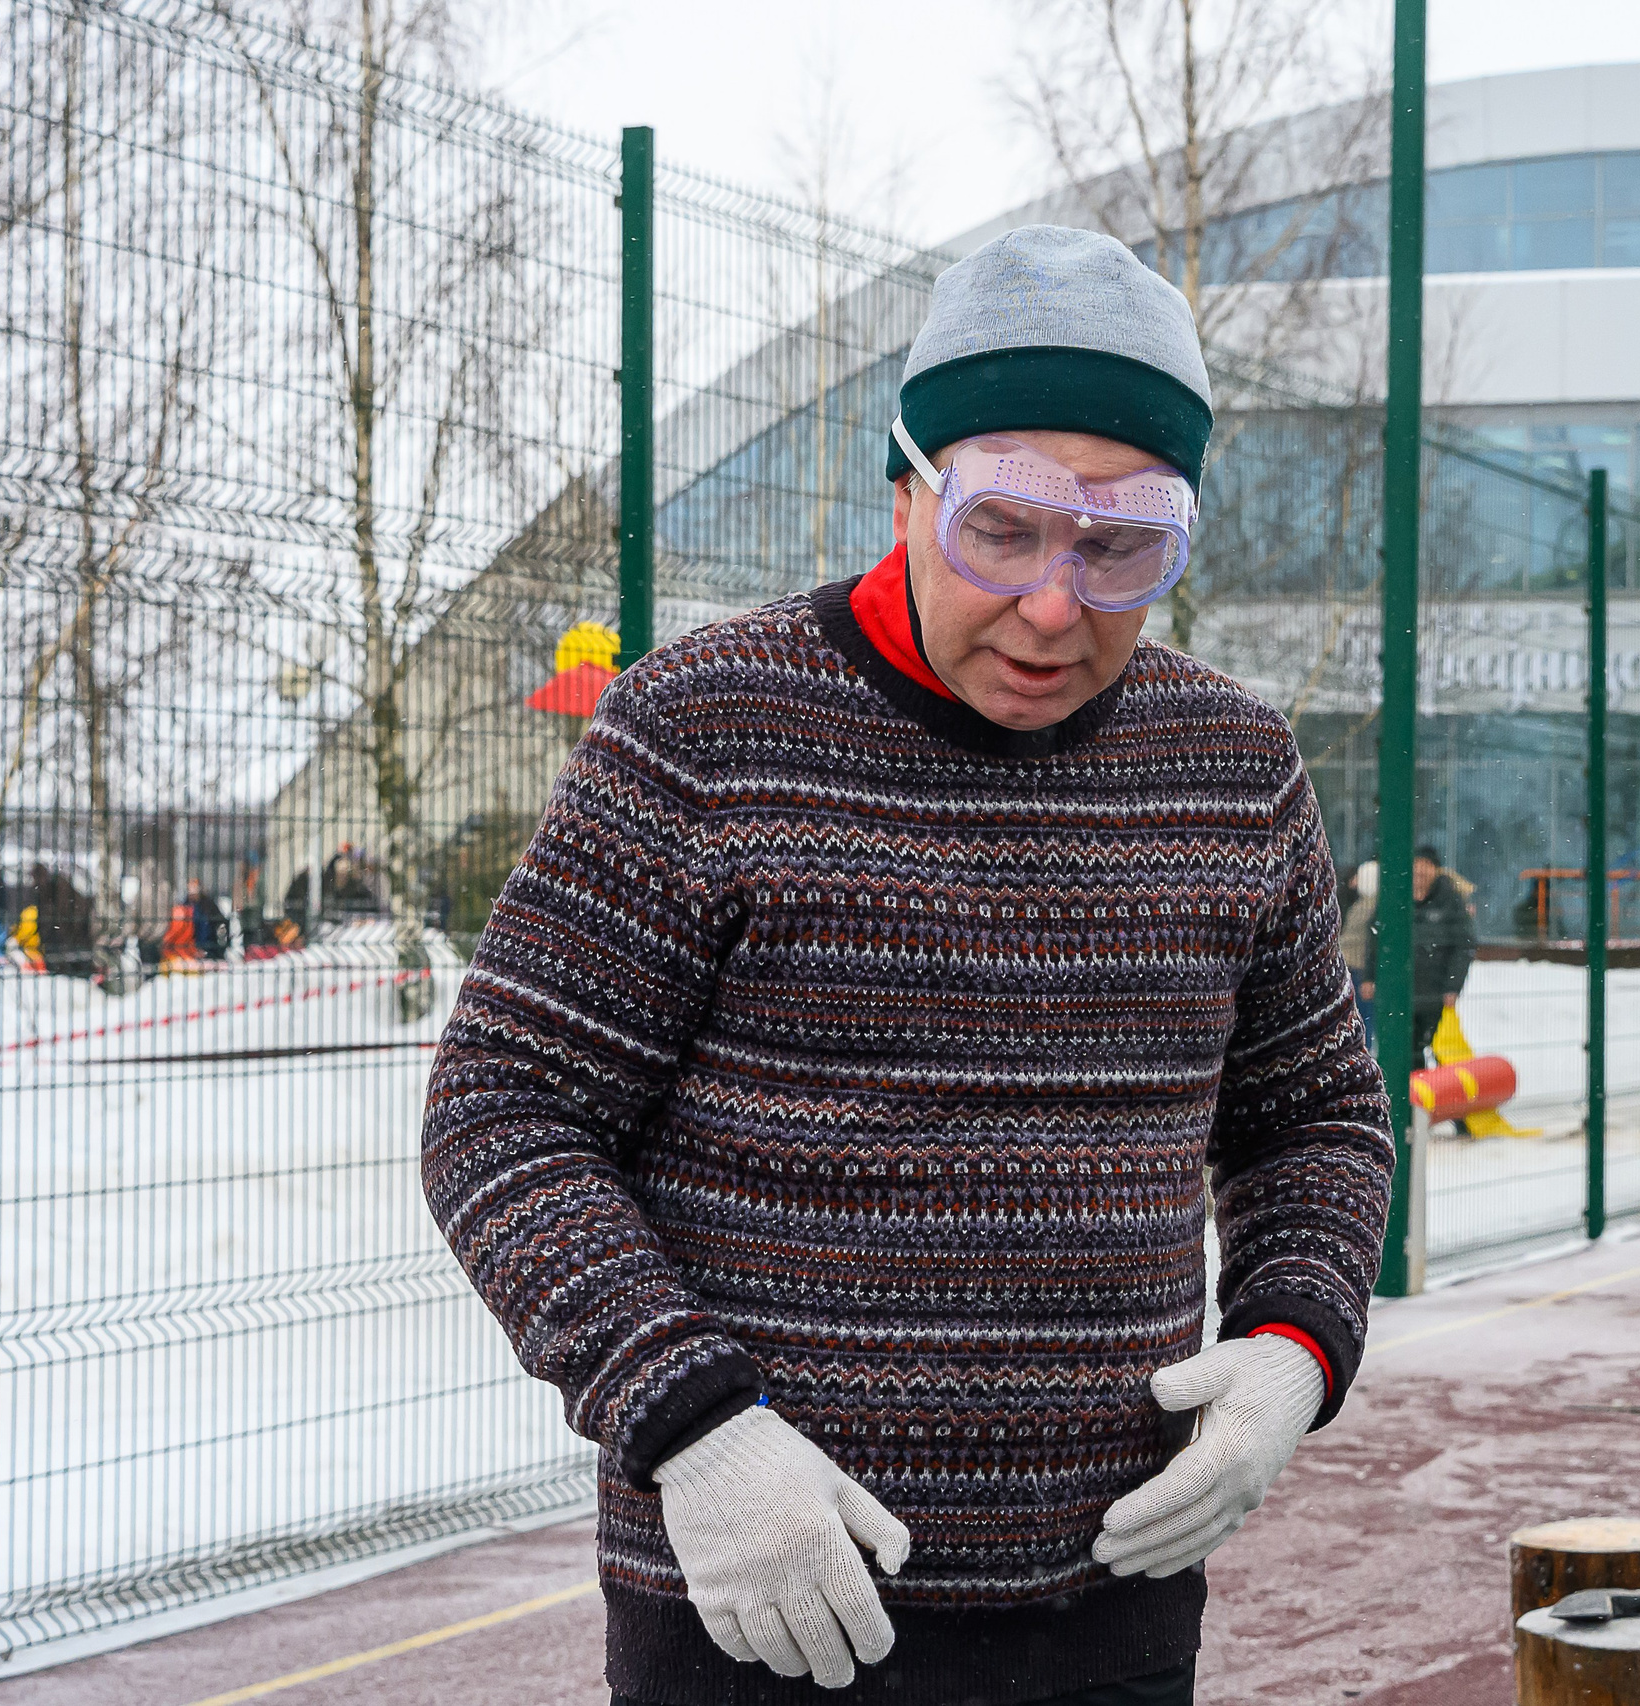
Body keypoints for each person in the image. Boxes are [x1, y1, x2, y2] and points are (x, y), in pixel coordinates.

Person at [422, 227, 1394, 1706]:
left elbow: (1316, 1118)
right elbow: (504, 1110)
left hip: (1114, 1607)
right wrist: (691, 1420)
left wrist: (1289, 1347)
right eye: (1002, 529)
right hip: (766, 1606)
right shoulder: (705, 727)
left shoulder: (1234, 764)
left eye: (1120, 545)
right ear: (907, 492)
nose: (1056, 606)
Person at [1375, 844, 1476, 1070]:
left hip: (1436, 996)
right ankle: (1410, 1101)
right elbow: (1376, 940)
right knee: (1405, 1055)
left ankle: (1446, 1101)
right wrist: (1371, 977)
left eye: (1426, 866)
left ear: (1436, 870)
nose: (1420, 871)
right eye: (1416, 865)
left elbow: (1463, 946)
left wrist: (1453, 986)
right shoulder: (1394, 897)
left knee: (1445, 1053)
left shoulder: (1450, 900)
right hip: (1400, 994)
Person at [1339, 859, 1378, 1047]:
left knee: (1364, 1015)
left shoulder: (1370, 905)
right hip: (1353, 965)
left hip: (1360, 967)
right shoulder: (1361, 903)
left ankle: (1365, 1048)